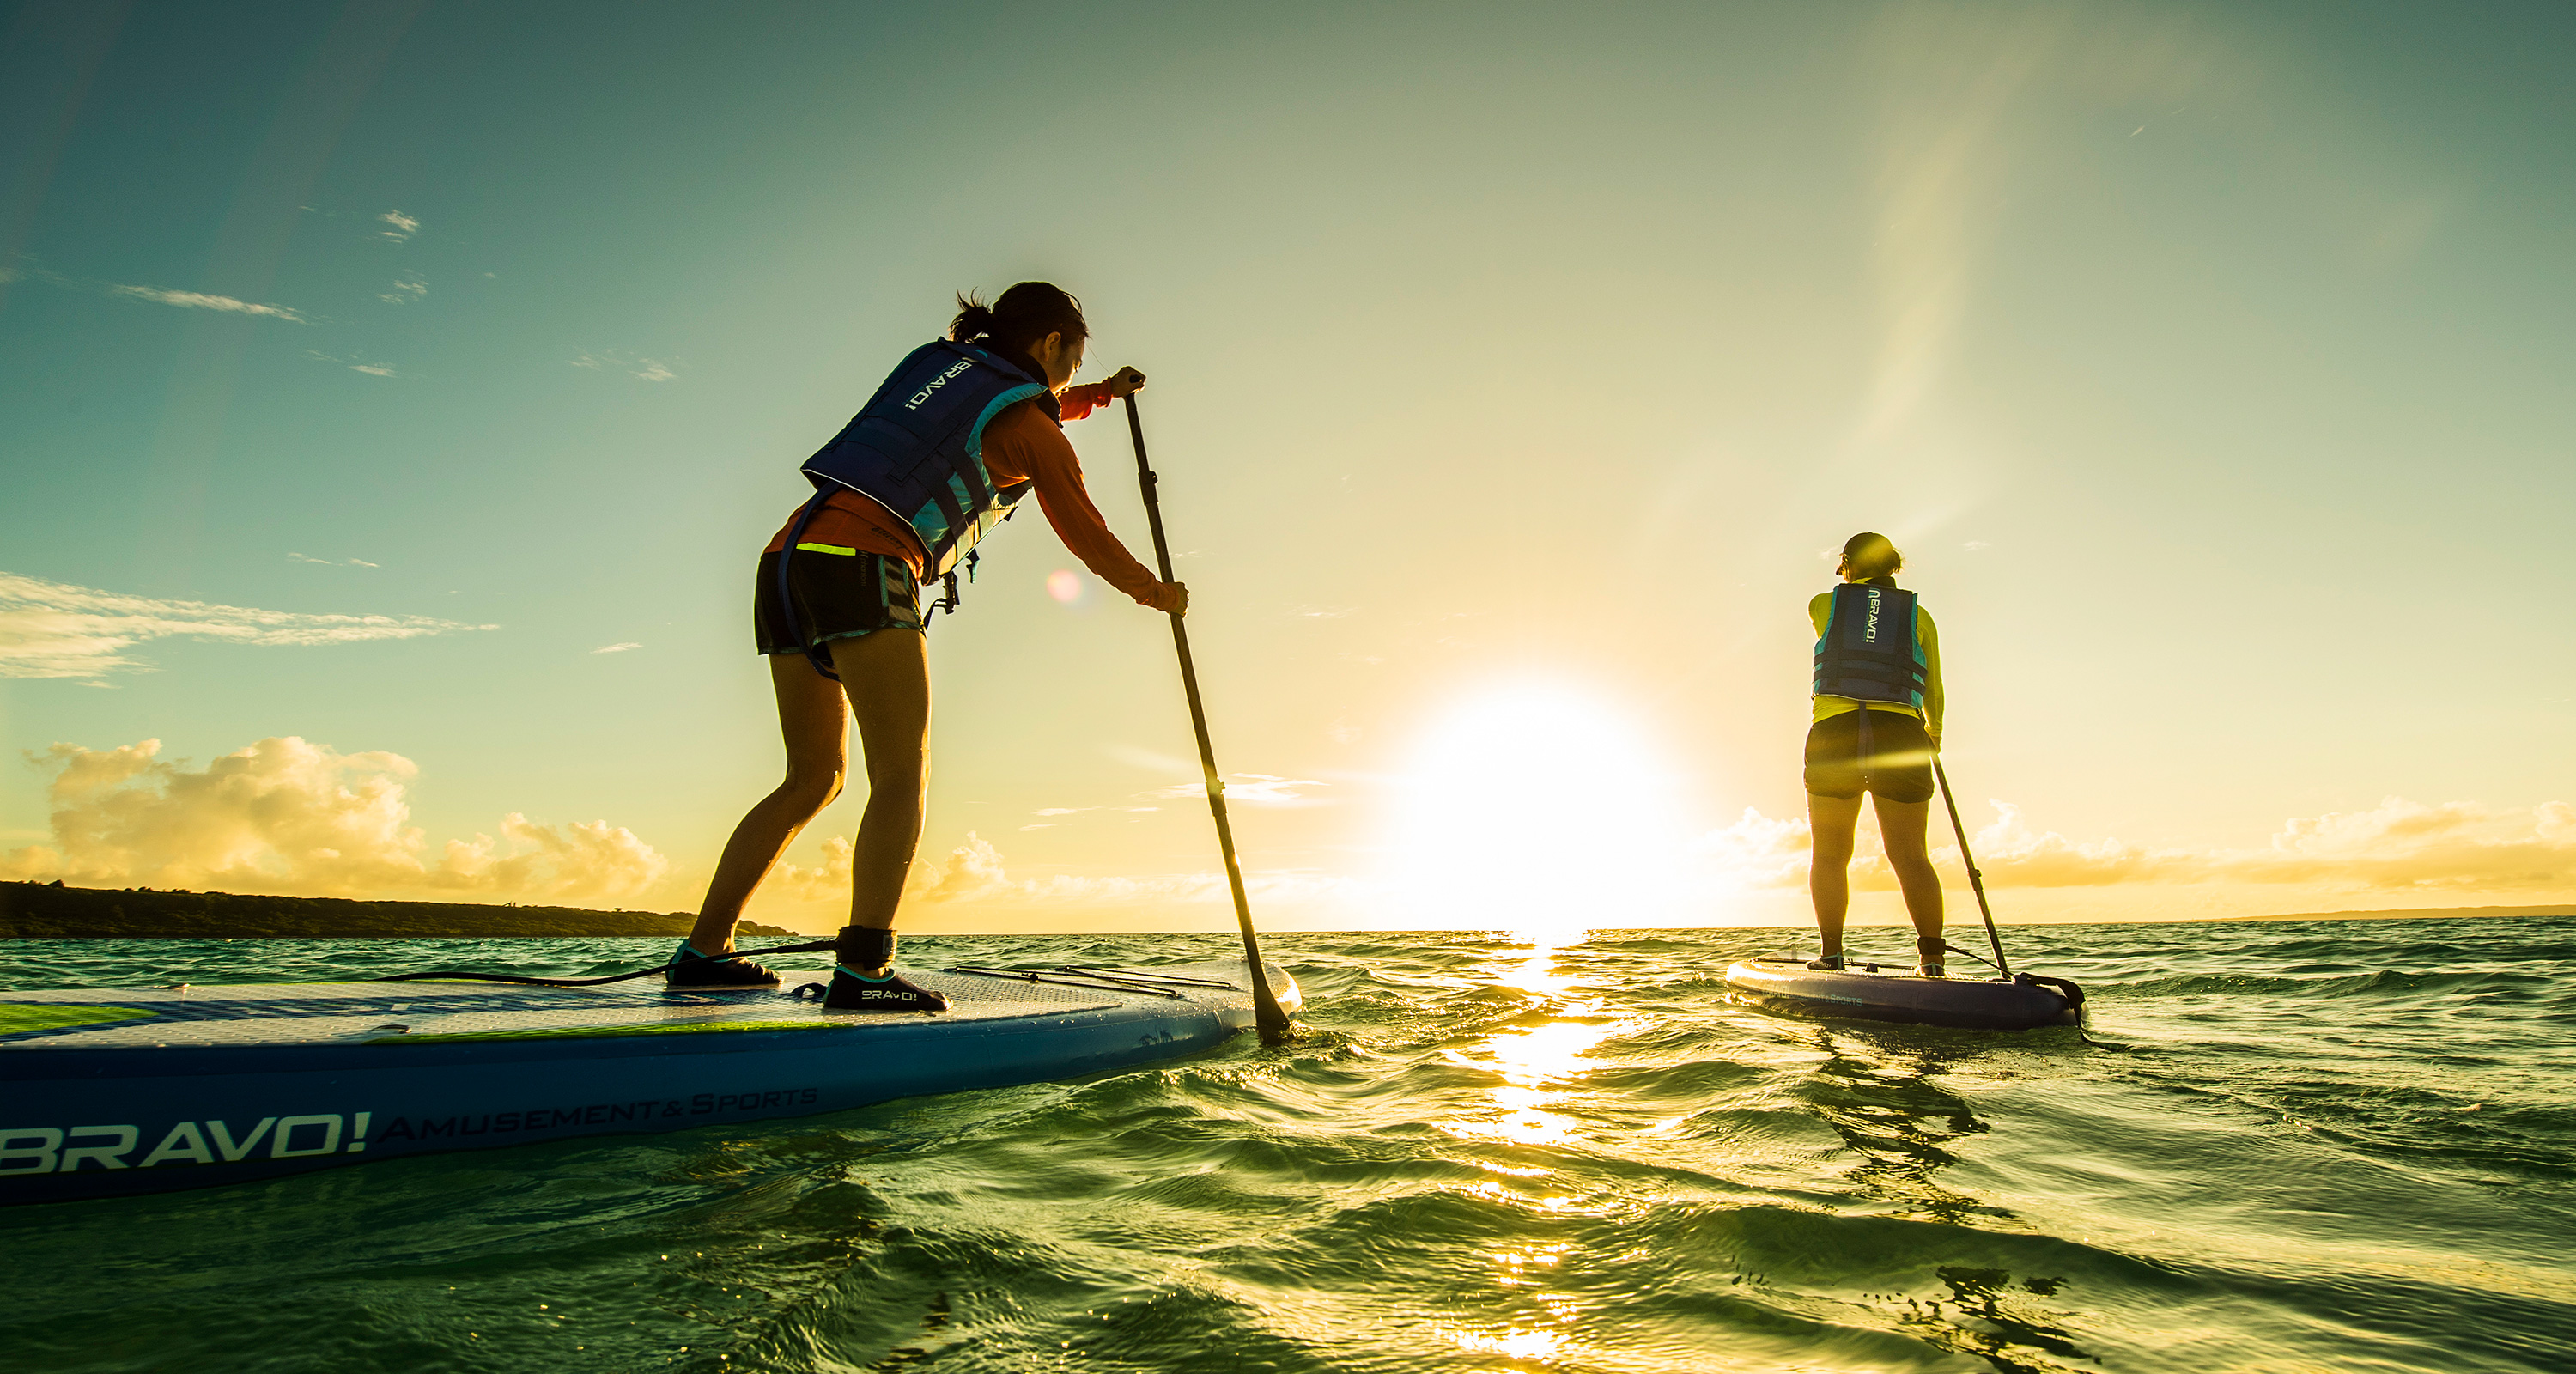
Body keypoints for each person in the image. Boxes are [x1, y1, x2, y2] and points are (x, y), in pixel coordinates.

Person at [671, 283, 1187, 1010]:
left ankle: (705, 951)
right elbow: (1086, 533)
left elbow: (1032, 412)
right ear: (1050, 347)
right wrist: (1155, 591)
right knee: (900, 772)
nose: (1074, 371)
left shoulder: (964, 383)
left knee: (812, 777)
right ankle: (864, 971)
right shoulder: (1034, 431)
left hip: (786, 560)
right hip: (863, 564)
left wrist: (1102, 392)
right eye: (1077, 356)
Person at [1804, 532, 1948, 976]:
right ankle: (1932, 961)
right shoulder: (1918, 615)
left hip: (1836, 732)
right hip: (1901, 734)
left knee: (1830, 852)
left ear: (1846, 562)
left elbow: (1851, 615)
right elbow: (1935, 686)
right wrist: (1933, 734)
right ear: (1893, 566)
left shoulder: (1822, 606)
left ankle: (1830, 955)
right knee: (1910, 854)